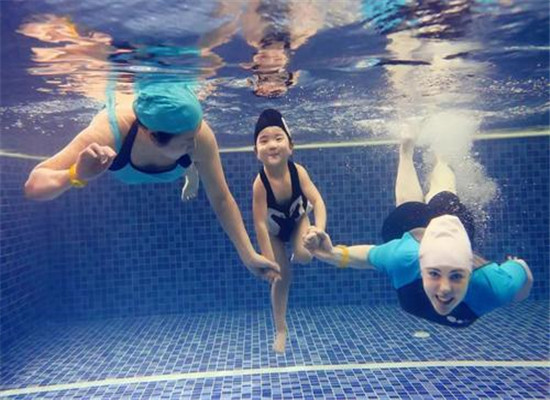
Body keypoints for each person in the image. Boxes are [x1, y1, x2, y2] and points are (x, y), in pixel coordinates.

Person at [24, 80, 280, 283]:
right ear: (153, 137)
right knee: (189, 158)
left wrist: (248, 254)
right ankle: (189, 168)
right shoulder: (109, 132)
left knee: (192, 159)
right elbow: (34, 186)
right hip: (132, 163)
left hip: (174, 165)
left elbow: (222, 198)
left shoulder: (199, 136)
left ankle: (190, 170)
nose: (197, 144)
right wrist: (75, 175)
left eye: (196, 134)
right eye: (187, 141)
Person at [303, 132, 533, 328]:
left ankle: (436, 155)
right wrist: (331, 253)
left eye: (456, 275)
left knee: (422, 200)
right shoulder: (404, 257)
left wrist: (517, 292)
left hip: (448, 234)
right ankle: (411, 151)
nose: (444, 289)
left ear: (470, 271)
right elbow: (366, 256)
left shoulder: (493, 286)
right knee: (426, 200)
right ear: (421, 267)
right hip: (418, 234)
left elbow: (521, 270)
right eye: (433, 273)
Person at [252, 109, 326, 352]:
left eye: (278, 138)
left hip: (297, 221)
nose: (272, 145)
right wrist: (268, 259)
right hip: (274, 232)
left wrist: (319, 230)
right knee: (281, 277)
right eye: (264, 140)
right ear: (256, 152)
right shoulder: (260, 184)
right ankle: (281, 329)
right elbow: (260, 224)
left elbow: (318, 200)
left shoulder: (298, 172)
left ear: (291, 147)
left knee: (305, 254)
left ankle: (298, 252)